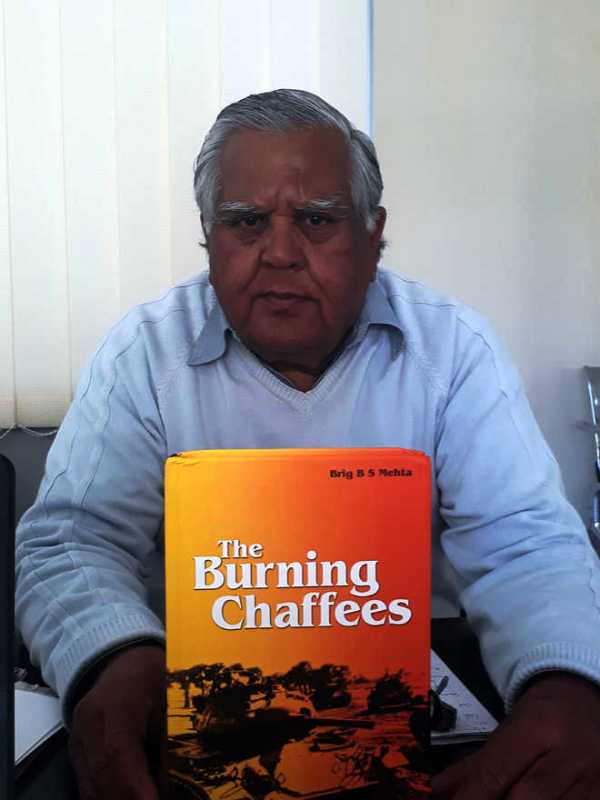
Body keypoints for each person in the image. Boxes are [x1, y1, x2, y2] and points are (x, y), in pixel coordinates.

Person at [15, 89, 600, 799]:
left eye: (318, 220)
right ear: (208, 233)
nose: (281, 253)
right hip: (195, 723)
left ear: (374, 233)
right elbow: (72, 540)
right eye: (246, 222)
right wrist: (113, 653)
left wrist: (570, 679)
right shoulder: (145, 352)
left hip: (406, 716)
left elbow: (526, 543)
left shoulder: (452, 349)